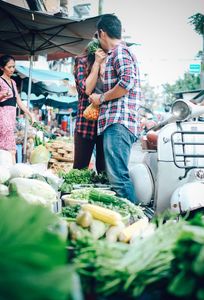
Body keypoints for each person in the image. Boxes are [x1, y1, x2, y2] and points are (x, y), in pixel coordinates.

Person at [89, 14, 142, 203]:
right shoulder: (118, 53)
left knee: (118, 179)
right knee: (117, 178)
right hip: (118, 123)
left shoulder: (119, 52)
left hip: (118, 123)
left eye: (96, 36)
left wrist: (101, 97)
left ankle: (137, 222)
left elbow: (126, 82)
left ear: (102, 33)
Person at [73, 40, 107, 173]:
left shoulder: (111, 61)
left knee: (103, 170)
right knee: (80, 168)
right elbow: (86, 90)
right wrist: (97, 63)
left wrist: (104, 65)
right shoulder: (81, 61)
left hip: (106, 124)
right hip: (85, 124)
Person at [0, 55, 34, 162]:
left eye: (13, 67)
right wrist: (2, 95)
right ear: (2, 68)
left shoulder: (13, 83)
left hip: (11, 118)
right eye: (9, 67)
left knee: (8, 148)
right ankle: (12, 169)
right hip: (2, 116)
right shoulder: (0, 81)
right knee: (10, 149)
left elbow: (19, 101)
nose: (12, 69)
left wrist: (30, 114)